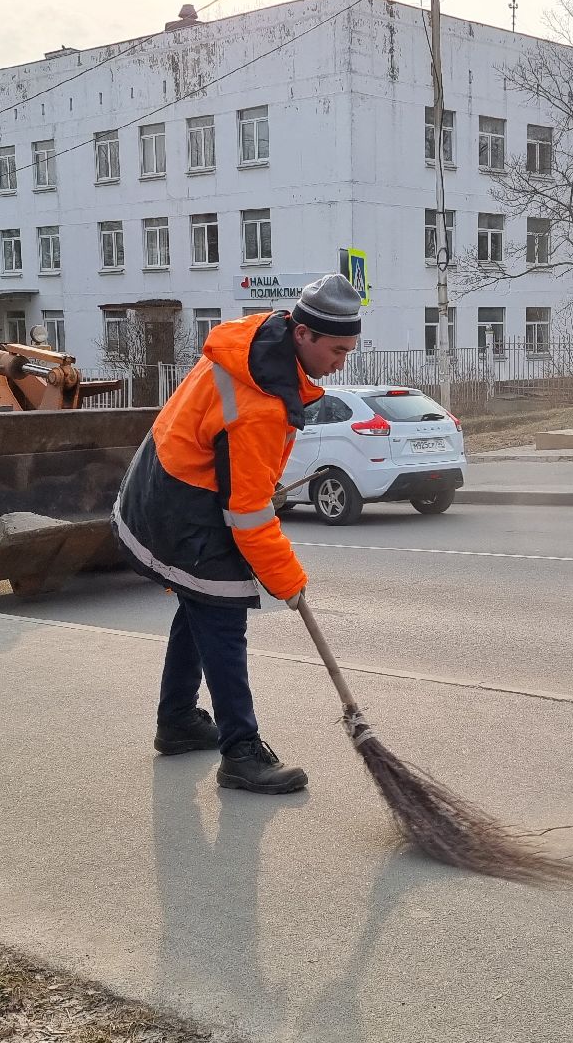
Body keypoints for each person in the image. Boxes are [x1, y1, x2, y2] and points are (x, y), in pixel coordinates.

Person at [112, 274, 362, 793]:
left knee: (198, 604)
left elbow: (238, 473)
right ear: (303, 334)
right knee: (222, 612)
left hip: (166, 478)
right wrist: (287, 580)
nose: (342, 362)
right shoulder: (260, 403)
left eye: (349, 350)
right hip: (182, 502)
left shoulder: (256, 345)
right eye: (337, 350)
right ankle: (241, 752)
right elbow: (246, 514)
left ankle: (177, 720)